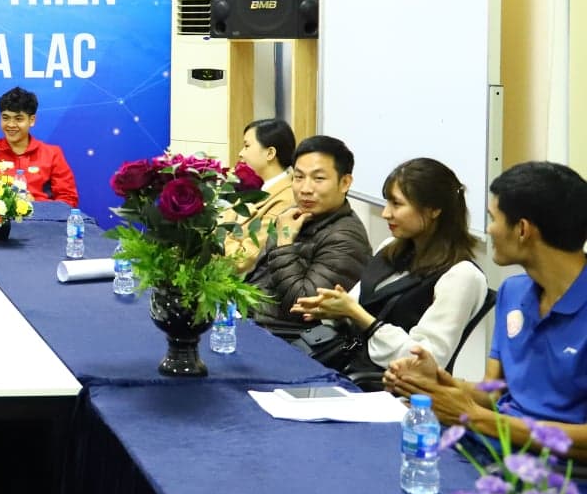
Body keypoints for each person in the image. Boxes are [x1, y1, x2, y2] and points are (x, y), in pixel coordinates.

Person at [386, 161, 587, 459]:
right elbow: (495, 392)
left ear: (522, 230)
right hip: (489, 446)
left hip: (554, 473)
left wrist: (475, 417)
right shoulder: (513, 291)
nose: (489, 230)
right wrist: (436, 381)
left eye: (493, 218)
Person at [290, 158, 487, 387]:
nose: (385, 213)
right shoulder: (391, 248)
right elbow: (356, 303)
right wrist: (332, 308)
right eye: (387, 202)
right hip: (346, 363)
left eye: (397, 204)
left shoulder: (461, 276)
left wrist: (357, 315)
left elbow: (423, 360)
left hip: (389, 387)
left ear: (434, 210)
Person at [244, 134, 371, 336]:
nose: (305, 189)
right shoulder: (294, 215)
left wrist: (284, 242)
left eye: (318, 178)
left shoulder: (346, 238)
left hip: (288, 338)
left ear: (345, 182)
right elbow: (260, 277)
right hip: (255, 320)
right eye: (299, 177)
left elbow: (302, 305)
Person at [0, 87, 78, 204]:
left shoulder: (52, 154)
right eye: (5, 118)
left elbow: (68, 199)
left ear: (32, 120)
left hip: (41, 216)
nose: (11, 125)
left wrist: (35, 204)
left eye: (18, 119)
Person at [223, 117, 295, 268]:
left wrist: (225, 223)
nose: (241, 153)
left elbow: (241, 260)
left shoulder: (285, 200)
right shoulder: (258, 189)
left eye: (247, 146)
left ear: (270, 153)